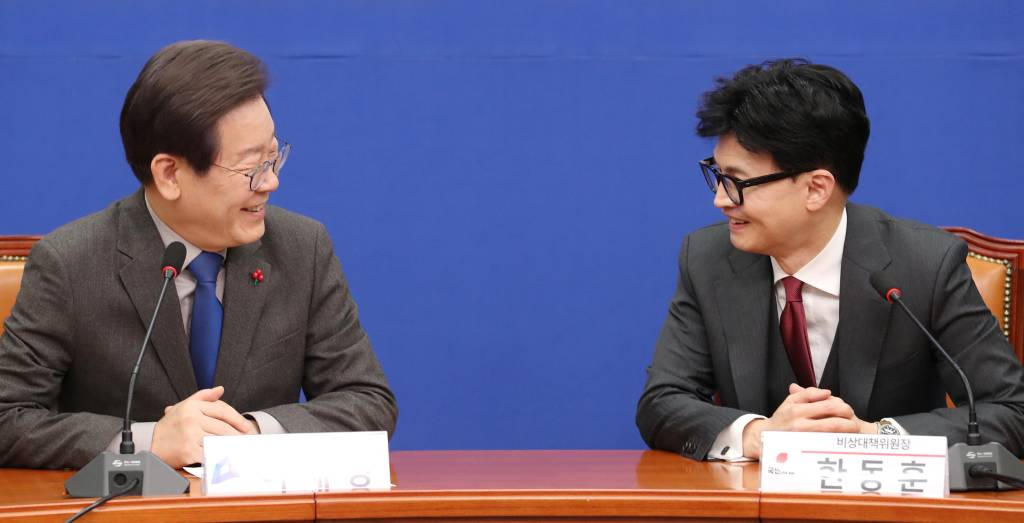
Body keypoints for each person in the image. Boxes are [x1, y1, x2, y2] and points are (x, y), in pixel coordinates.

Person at [0, 40, 397, 469]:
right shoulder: (71, 262)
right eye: (251, 168)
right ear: (170, 174)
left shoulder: (302, 248)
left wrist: (251, 434)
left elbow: (368, 401)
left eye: (273, 157)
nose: (271, 183)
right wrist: (150, 441)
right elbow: (7, 417)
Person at [636, 59, 1024, 461]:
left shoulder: (926, 264)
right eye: (717, 175)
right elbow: (662, 402)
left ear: (816, 189)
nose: (720, 199)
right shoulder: (708, 259)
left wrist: (875, 436)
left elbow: (1012, 411)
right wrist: (759, 434)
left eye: (736, 182)